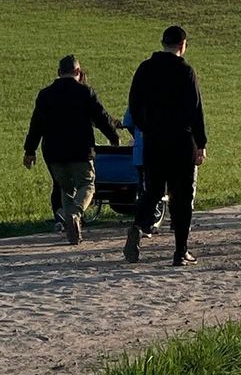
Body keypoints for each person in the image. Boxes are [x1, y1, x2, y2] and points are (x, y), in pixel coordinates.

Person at [123, 26, 207, 267]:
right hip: (182, 142)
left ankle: (138, 227)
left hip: (154, 142)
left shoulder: (145, 69)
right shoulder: (186, 72)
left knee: (153, 191)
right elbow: (195, 110)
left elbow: (134, 105)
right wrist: (201, 143)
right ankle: (180, 251)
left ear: (163, 43)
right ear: (183, 45)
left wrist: (146, 129)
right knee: (182, 197)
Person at [23, 55, 120, 245]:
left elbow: (36, 125)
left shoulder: (45, 95)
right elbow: (101, 117)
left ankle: (72, 231)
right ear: (78, 72)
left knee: (65, 190)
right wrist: (113, 135)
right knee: (87, 184)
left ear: (59, 73)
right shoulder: (85, 92)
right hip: (80, 151)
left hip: (53, 154)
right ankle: (75, 214)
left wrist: (30, 151)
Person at [122, 107, 163, 236]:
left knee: (143, 187)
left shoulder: (137, 99)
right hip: (157, 150)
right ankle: (148, 221)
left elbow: (128, 122)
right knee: (154, 188)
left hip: (140, 151)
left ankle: (141, 219)